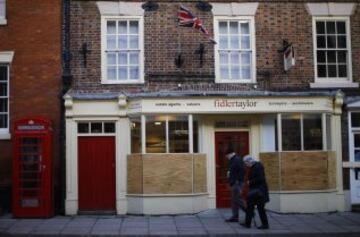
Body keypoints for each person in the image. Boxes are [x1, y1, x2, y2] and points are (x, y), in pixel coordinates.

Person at [240, 155, 269, 229]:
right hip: (255, 191)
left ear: (250, 161)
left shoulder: (257, 167)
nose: (246, 164)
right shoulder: (254, 166)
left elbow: (261, 178)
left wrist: (250, 182)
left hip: (259, 192)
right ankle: (247, 223)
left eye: (246, 163)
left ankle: (265, 225)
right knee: (250, 207)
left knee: (260, 208)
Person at [224, 145, 245, 222]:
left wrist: (237, 180)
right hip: (234, 182)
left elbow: (242, 170)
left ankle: (249, 212)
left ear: (230, 154)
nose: (226, 157)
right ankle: (235, 217)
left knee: (237, 199)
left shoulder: (236, 160)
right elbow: (231, 172)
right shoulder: (233, 160)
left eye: (227, 155)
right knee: (234, 200)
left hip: (237, 183)